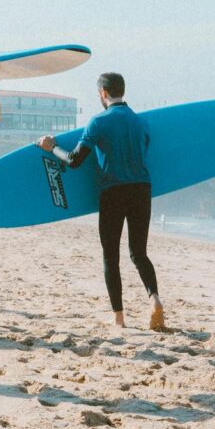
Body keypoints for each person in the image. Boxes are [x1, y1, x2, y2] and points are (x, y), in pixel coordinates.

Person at [36, 72, 165, 331]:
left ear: (103, 93)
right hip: (142, 189)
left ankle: (119, 317)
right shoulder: (141, 123)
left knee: (111, 256)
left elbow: (74, 160)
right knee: (139, 252)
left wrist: (51, 148)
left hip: (113, 191)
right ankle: (155, 300)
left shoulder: (98, 122)